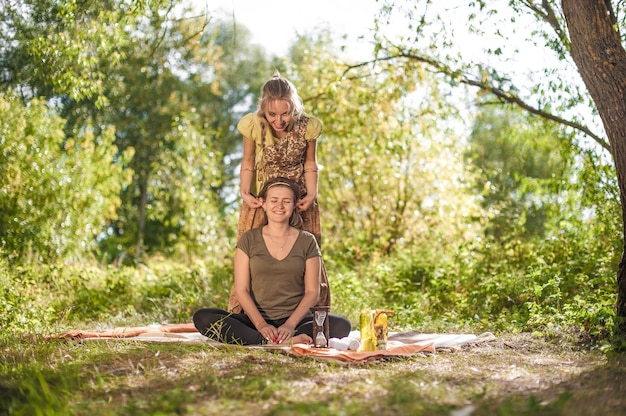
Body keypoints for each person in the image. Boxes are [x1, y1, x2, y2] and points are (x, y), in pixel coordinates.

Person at [194, 178, 351, 345]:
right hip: (255, 322)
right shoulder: (249, 239)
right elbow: (242, 289)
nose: (280, 206)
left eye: (286, 201)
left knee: (342, 325)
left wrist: (289, 325)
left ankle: (277, 339)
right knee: (203, 317)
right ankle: (267, 340)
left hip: (297, 322)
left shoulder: (307, 241)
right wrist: (261, 325)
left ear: (295, 204)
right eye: (274, 200)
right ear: (263, 203)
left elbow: (313, 292)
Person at [228, 73, 331, 313]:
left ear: (293, 108)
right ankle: (249, 314)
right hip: (264, 197)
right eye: (272, 114)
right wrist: (245, 191)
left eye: (285, 113)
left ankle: (311, 314)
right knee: (253, 248)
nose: (279, 120)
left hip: (298, 198)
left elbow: (310, 164)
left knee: (305, 251)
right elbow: (248, 161)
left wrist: (312, 194)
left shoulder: (308, 127)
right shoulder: (254, 125)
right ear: (263, 109)